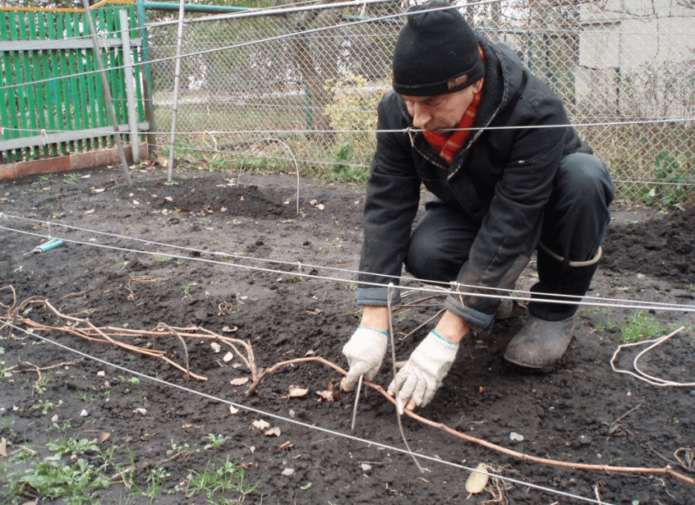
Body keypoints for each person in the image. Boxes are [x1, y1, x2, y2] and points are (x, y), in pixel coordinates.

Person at [340, 1, 615, 412]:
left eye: (430, 103)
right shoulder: (399, 112)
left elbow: (513, 220)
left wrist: (443, 339)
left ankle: (553, 314)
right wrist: (373, 315)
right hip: (473, 203)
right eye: (408, 101)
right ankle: (491, 302)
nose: (416, 119)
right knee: (427, 253)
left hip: (548, 202)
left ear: (472, 84)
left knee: (585, 177)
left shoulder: (534, 111)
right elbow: (387, 200)